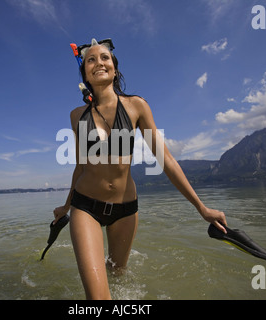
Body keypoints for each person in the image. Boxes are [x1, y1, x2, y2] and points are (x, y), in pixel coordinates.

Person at [53, 38, 227, 300]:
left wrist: (201, 207)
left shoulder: (136, 105)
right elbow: (81, 165)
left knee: (118, 277)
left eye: (105, 58)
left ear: (114, 68)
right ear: (84, 73)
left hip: (125, 209)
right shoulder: (76, 115)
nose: (98, 62)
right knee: (98, 299)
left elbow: (165, 159)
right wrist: (66, 206)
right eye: (91, 59)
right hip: (85, 206)